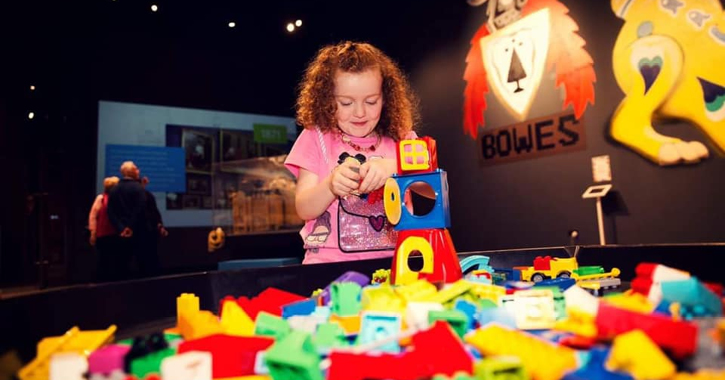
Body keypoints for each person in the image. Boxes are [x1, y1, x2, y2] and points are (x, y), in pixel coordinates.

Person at [284, 41, 421, 264]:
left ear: (385, 97)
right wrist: (330, 186)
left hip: (397, 263)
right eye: (346, 103)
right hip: (329, 265)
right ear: (328, 100)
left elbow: (429, 191)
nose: (359, 112)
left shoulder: (403, 138)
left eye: (371, 101)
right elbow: (304, 208)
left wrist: (396, 167)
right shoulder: (315, 137)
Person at [88, 176, 120, 282]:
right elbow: (93, 215)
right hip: (103, 233)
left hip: (116, 233)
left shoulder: (119, 199)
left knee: (115, 259)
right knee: (103, 258)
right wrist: (93, 231)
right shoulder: (101, 198)